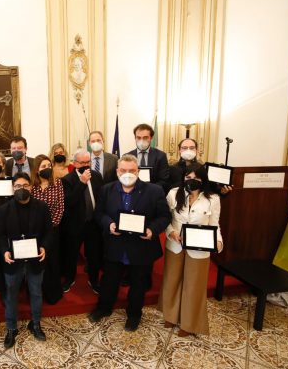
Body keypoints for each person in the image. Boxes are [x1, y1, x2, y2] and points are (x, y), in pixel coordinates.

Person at [88, 154, 171, 332]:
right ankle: (103, 308)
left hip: (141, 246)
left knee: (138, 284)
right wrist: (108, 224)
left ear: (138, 171)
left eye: (132, 171)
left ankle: (134, 315)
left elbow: (165, 216)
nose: (127, 174)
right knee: (109, 280)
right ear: (117, 171)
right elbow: (99, 213)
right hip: (114, 245)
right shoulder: (106, 189)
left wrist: (152, 230)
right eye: (123, 170)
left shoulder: (154, 191)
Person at [159, 164, 223, 337]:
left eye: (196, 178)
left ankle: (189, 323)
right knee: (172, 280)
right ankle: (171, 316)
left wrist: (218, 241)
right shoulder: (174, 193)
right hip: (176, 244)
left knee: (194, 285)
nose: (191, 181)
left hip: (200, 248)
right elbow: (165, 217)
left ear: (203, 180)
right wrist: (170, 232)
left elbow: (215, 223)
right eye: (188, 177)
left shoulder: (213, 198)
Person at [0, 173, 51, 349]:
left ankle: (35, 324)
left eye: (25, 185)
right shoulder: (4, 209)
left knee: (36, 292)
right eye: (18, 186)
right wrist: (4, 251)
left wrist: (44, 247)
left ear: (31, 187)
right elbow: (0, 235)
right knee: (11, 295)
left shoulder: (42, 207)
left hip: (35, 259)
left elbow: (49, 232)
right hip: (13, 261)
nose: (22, 189)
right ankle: (11, 328)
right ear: (13, 188)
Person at [61, 149, 104, 294]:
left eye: (88, 162)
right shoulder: (67, 180)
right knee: (71, 254)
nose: (86, 165)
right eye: (82, 162)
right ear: (74, 163)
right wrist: (82, 182)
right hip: (75, 224)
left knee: (94, 254)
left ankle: (93, 280)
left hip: (93, 223)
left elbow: (101, 199)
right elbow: (70, 202)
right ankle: (69, 279)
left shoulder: (97, 176)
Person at [30, 154, 64, 304]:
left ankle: (53, 293)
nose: (47, 169)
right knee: (38, 263)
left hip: (53, 231)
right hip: (35, 232)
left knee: (53, 262)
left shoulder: (57, 183)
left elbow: (60, 207)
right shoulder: (32, 187)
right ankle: (37, 293)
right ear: (37, 170)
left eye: (49, 166)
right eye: (43, 166)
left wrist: (50, 228)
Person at [126, 124, 170, 193]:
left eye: (145, 137)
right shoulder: (127, 156)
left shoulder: (160, 156)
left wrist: (148, 191)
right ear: (135, 138)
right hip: (132, 193)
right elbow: (124, 177)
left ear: (151, 138)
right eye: (138, 137)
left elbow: (164, 180)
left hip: (153, 194)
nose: (142, 140)